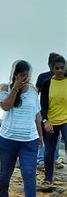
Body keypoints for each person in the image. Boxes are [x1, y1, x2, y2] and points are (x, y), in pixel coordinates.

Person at [0, 60, 44, 197]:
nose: (26, 78)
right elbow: (6, 106)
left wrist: (40, 135)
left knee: (29, 174)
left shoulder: (33, 91)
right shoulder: (4, 88)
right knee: (5, 172)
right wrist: (15, 88)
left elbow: (36, 114)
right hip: (8, 139)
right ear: (15, 75)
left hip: (29, 139)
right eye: (22, 75)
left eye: (28, 75)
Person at [41, 55, 67, 185]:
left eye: (62, 67)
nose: (60, 70)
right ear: (52, 69)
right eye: (57, 68)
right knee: (49, 151)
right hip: (52, 120)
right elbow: (43, 104)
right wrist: (46, 120)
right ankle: (48, 178)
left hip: (66, 120)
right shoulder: (47, 83)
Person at [36, 53, 62, 169]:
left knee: (50, 136)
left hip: (50, 111)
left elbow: (35, 93)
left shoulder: (42, 76)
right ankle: (44, 159)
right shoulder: (44, 78)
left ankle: (47, 159)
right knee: (49, 136)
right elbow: (36, 92)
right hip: (47, 111)